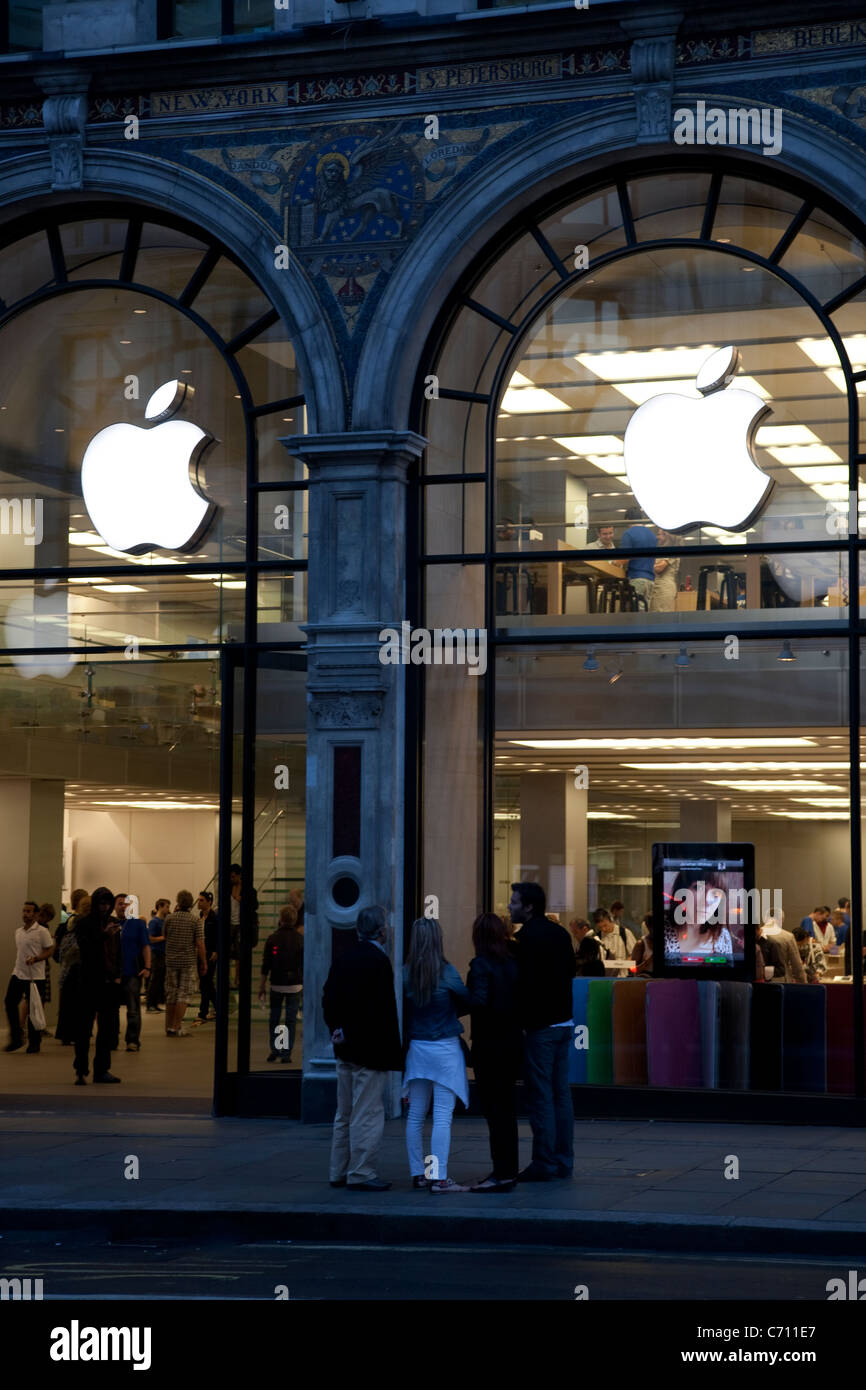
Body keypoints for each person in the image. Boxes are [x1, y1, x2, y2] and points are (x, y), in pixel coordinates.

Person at [322, 904, 403, 1192]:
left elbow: (328, 998)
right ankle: (361, 1172)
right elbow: (379, 1011)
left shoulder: (344, 957)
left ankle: (338, 1170)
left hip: (344, 1049)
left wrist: (338, 1031)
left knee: (343, 1113)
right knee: (366, 1113)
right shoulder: (379, 962)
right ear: (381, 932)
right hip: (370, 1051)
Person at [510, 881, 576, 1182]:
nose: (509, 906)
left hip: (540, 1027)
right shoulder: (560, 934)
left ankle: (544, 1162)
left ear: (528, 906)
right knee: (561, 1095)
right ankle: (564, 1160)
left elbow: (521, 984)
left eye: (514, 901)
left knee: (541, 1097)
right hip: (564, 1022)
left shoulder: (526, 939)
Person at [402, 916, 471, 1193]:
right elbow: (467, 999)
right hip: (444, 1047)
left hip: (417, 1047)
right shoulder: (447, 971)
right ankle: (439, 1176)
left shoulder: (405, 972)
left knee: (416, 1114)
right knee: (442, 1115)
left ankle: (419, 1173)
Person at [466, 912, 522, 1192]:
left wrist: (454, 996)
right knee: (506, 1110)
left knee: (493, 1110)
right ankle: (509, 1169)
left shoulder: (480, 965)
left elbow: (477, 1001)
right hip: (511, 1044)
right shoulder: (512, 964)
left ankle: (501, 1172)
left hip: (489, 1046)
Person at [73, 886, 123, 1084]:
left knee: (106, 1030)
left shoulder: (112, 923)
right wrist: (104, 935)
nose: (104, 907)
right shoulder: (84, 923)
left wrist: (118, 975)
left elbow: (116, 952)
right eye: (101, 903)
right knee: (84, 1029)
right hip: (88, 982)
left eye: (107, 903)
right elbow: (85, 948)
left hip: (108, 983)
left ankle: (101, 1069)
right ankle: (81, 1069)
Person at [4, 901, 54, 1053]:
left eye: (29, 911)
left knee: (33, 1008)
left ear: (36, 914)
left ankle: (34, 1042)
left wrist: (37, 958)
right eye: (24, 911)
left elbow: (50, 950)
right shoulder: (18, 932)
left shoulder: (41, 931)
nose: (26, 914)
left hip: (35, 976)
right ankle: (16, 1037)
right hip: (18, 973)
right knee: (9, 1002)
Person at [258, 903, 303, 1062]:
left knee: (275, 1018)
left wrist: (262, 985)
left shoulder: (272, 938)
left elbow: (266, 965)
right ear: (295, 919)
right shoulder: (300, 940)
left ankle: (276, 1049)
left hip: (277, 984)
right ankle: (286, 1053)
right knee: (290, 1019)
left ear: (280, 919)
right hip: (295, 985)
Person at [662, 871, 733, 965]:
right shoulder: (663, 932)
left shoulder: (723, 937)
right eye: (698, 888)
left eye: (716, 893)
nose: (707, 901)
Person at [163, 890, 207, 1037]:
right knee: (184, 994)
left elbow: (165, 936)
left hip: (171, 961)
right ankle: (176, 1027)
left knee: (171, 994)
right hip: (188, 962)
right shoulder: (195, 920)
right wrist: (204, 962)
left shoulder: (169, 918)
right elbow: (200, 944)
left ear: (177, 901)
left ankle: (169, 1026)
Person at [116, 894, 151, 1052]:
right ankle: (111, 1039)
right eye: (119, 903)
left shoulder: (138, 924)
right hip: (114, 973)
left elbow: (145, 946)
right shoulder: (111, 924)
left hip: (132, 972)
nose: (123, 906)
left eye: (126, 904)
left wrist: (148, 967)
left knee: (133, 1009)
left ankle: (133, 1040)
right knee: (111, 1009)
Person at [56, 892, 88, 1046]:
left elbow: (59, 950)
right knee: (78, 1003)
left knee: (67, 1003)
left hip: (67, 967)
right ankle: (76, 1033)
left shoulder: (68, 923)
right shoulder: (83, 923)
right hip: (78, 967)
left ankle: (65, 1033)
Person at [618, 506, 657, 609]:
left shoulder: (629, 534)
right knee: (644, 612)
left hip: (637, 578)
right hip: (650, 580)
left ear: (627, 519)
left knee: (635, 614)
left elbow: (624, 557)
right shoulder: (652, 535)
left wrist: (614, 563)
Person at [192, 890, 218, 1025]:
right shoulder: (200, 917)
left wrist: (216, 950)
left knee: (206, 983)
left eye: (201, 900)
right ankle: (219, 1008)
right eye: (199, 899)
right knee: (207, 984)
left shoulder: (215, 918)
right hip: (200, 952)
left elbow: (219, 936)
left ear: (209, 902)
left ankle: (203, 1013)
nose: (199, 902)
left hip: (210, 953)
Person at [146, 899, 170, 1013]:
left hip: (163, 953)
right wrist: (163, 938)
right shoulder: (154, 922)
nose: (168, 909)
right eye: (166, 906)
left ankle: (155, 1004)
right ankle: (150, 1005)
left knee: (160, 980)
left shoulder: (164, 920)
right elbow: (150, 938)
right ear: (160, 907)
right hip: (156, 953)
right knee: (154, 979)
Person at [650, 530, 680, 612]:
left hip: (663, 587)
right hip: (658, 586)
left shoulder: (671, 549)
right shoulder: (662, 550)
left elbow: (659, 568)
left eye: (659, 534)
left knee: (661, 615)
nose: (657, 537)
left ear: (667, 535)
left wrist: (644, 567)